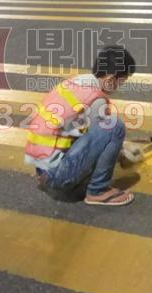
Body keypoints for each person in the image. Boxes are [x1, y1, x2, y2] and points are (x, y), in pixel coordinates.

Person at [24, 46, 136, 206]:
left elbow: (86, 136)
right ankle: (98, 191)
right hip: (57, 176)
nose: (119, 87)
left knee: (106, 131)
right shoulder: (95, 100)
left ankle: (77, 181)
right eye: (121, 82)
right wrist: (125, 154)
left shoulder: (77, 82)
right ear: (110, 79)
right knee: (114, 127)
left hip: (42, 169)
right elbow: (103, 141)